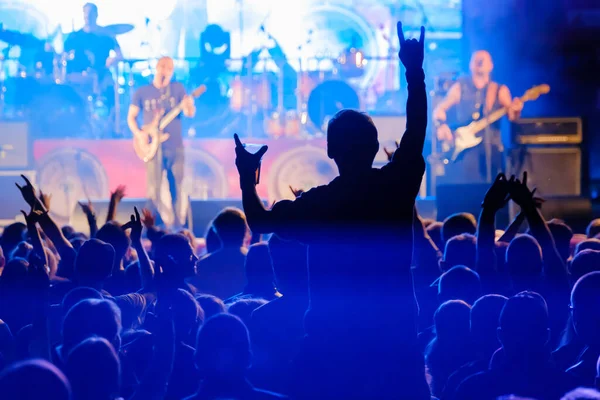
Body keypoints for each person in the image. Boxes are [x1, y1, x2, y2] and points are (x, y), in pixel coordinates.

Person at [233, 22, 430, 399]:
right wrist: (413, 72)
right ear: (375, 147)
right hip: (394, 343)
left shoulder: (319, 204)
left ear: (330, 151)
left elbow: (259, 222)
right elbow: (416, 130)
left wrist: (247, 176)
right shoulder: (394, 186)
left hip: (329, 347)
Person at [433, 50, 523, 184]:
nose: (479, 62)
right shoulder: (460, 87)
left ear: (491, 66)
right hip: (465, 153)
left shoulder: (499, 89)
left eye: (483, 60)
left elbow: (512, 116)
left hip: (491, 151)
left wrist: (516, 110)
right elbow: (440, 109)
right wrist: (442, 125)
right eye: (476, 59)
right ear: (470, 64)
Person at [127, 56, 196, 229]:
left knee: (177, 189)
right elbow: (131, 117)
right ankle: (150, 228)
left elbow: (189, 113)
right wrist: (140, 134)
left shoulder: (178, 89)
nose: (166, 71)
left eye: (170, 68)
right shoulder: (142, 92)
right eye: (163, 67)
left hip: (175, 147)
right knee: (153, 191)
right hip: (153, 148)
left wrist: (189, 105)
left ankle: (178, 228)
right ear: (157, 68)